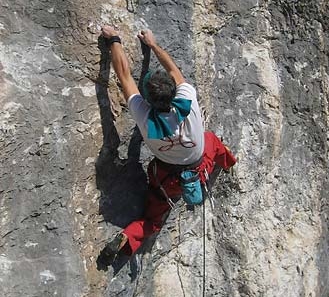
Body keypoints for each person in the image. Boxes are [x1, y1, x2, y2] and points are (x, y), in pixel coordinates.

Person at [101, 25, 237, 257]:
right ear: (174, 92)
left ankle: (128, 238)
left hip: (167, 177)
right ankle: (228, 162)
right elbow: (173, 69)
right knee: (211, 140)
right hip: (200, 162)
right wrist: (152, 44)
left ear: (147, 100)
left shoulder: (143, 116)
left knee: (153, 220)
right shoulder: (187, 99)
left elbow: (124, 75)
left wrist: (114, 39)